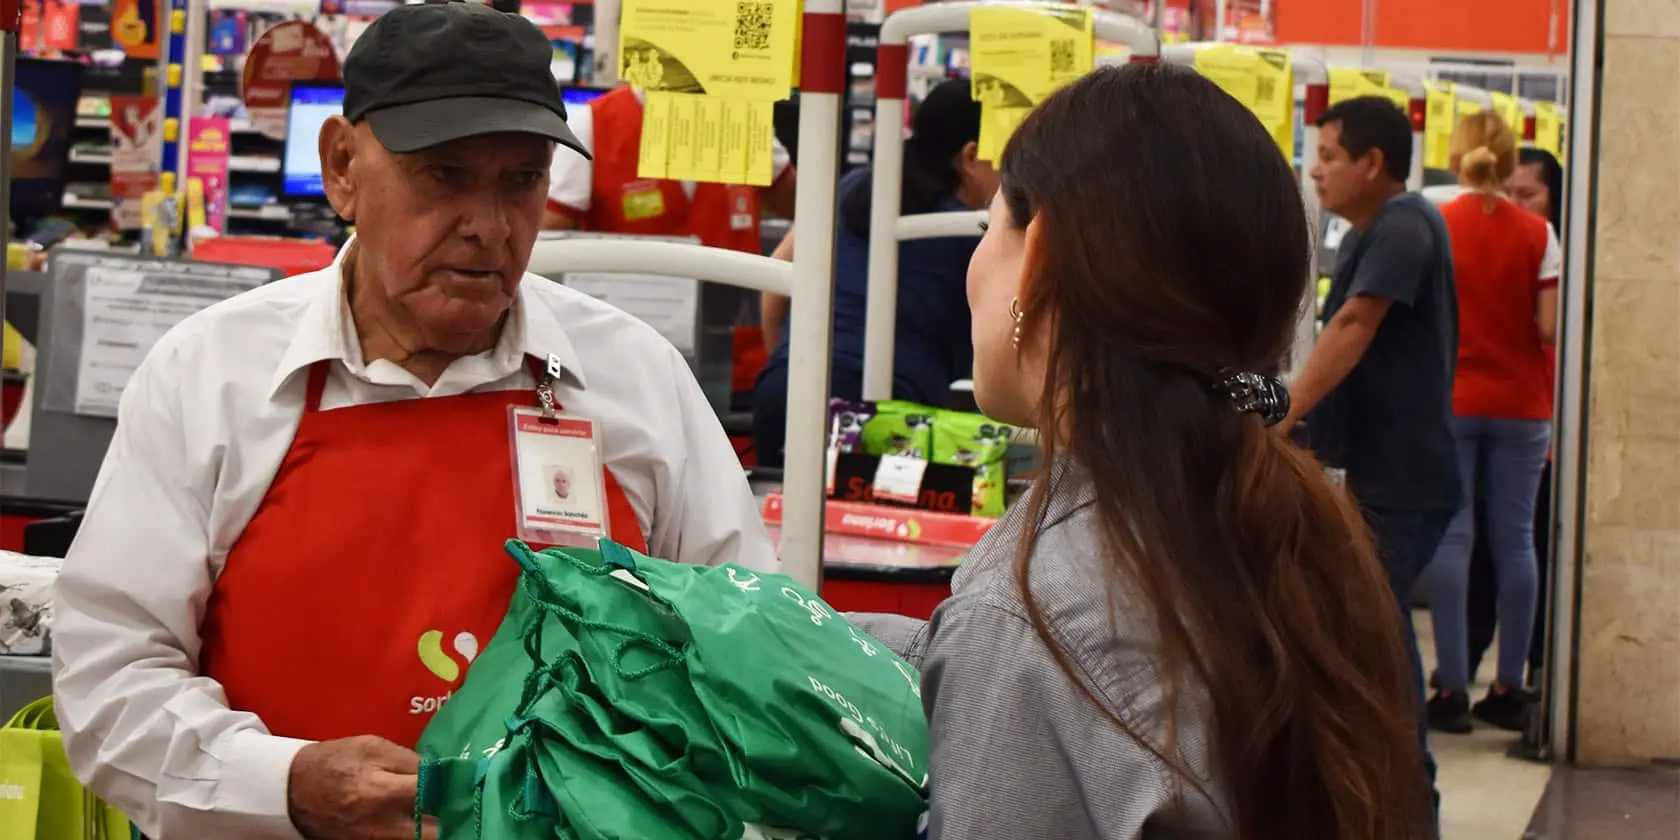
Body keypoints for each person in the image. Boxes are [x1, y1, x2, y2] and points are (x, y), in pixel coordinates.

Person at [50, 5, 778, 839]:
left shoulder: (634, 377)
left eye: (521, 180)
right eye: (445, 176)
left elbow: (746, 652)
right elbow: (110, 677)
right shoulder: (211, 375)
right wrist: (283, 784)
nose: (489, 226)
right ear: (342, 167)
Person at [852, 65, 1432, 840]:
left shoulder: (1030, 612)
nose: (973, 266)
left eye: (989, 228)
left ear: (1042, 255)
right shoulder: (1306, 540)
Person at [1287, 95, 1461, 817]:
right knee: (1374, 636)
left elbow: (1355, 324)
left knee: (1380, 644)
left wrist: (1282, 412)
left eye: (1328, 156)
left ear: (1373, 162)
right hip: (1377, 474)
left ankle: (1410, 807)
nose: (1316, 171)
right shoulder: (1368, 230)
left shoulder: (1404, 225)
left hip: (1405, 480)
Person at [751, 80, 992, 467]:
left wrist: (786, 362)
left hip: (788, 394)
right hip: (889, 418)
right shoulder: (966, 230)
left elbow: (775, 285)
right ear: (970, 157)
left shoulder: (854, 189)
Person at [1423, 112, 1559, 734]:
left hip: (1454, 397)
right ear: (1509, 164)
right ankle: (1508, 686)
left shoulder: (1435, 225)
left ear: (1456, 158)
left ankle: (1450, 689)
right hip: (1523, 404)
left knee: (1454, 537)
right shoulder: (1540, 234)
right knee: (1516, 541)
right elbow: (1551, 328)